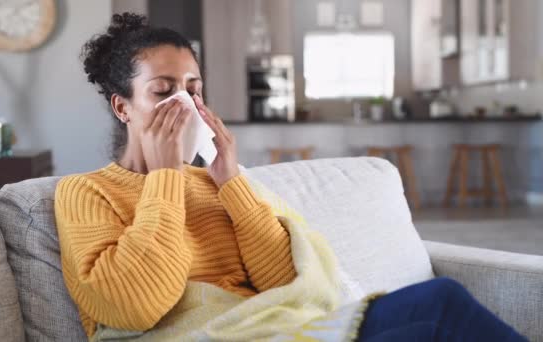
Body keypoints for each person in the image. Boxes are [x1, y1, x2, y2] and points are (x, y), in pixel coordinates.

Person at [54, 13, 526, 341]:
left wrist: (231, 181)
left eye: (193, 90)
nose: (184, 103)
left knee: (439, 304)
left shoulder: (215, 186)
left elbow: (286, 283)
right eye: (163, 91)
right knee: (438, 313)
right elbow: (131, 306)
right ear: (122, 106)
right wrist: (163, 178)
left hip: (275, 329)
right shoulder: (85, 192)